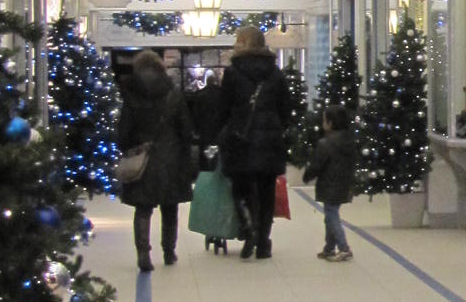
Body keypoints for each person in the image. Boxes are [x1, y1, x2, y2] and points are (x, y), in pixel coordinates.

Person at [215, 23, 296, 261]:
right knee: (266, 191)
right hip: (270, 141)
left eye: (237, 40)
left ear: (244, 43)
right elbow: (286, 109)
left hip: (240, 140)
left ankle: (248, 227)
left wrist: (220, 133)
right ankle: (263, 242)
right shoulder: (275, 73)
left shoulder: (233, 73)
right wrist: (277, 128)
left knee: (240, 188)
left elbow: (223, 109)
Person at [117, 49, 196, 273]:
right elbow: (186, 129)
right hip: (171, 157)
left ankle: (143, 253)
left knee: (143, 208)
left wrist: (128, 148)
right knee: (169, 207)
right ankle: (169, 251)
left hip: (142, 157)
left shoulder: (131, 93)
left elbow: (124, 131)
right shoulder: (173, 92)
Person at [304, 105, 356, 263]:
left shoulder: (326, 143)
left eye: (324, 120)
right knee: (330, 215)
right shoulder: (349, 141)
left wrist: (307, 175)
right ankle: (329, 248)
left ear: (331, 123)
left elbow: (317, 165)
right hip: (344, 183)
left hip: (329, 184)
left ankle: (344, 247)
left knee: (331, 215)